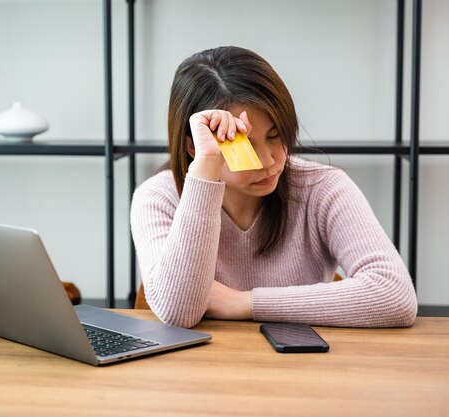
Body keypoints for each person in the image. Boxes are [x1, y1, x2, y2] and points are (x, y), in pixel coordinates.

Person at [130, 46, 417, 329]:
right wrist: (205, 171)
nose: (269, 161)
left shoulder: (322, 187)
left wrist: (245, 303)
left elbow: (395, 295)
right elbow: (179, 312)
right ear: (193, 145)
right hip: (202, 369)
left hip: (301, 366)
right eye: (244, 143)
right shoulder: (158, 197)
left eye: (275, 135)